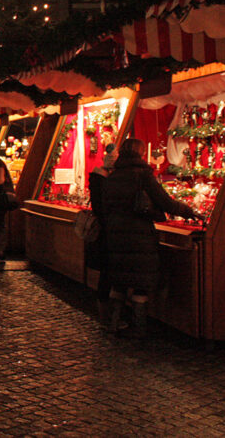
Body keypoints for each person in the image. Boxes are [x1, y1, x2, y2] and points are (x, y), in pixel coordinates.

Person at [101, 137, 198, 338]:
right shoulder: (142, 176)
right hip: (139, 236)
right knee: (140, 283)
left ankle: (113, 322)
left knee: (119, 280)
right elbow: (165, 202)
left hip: (116, 235)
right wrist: (188, 211)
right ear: (140, 153)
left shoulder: (113, 177)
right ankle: (140, 328)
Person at [86, 143, 116, 328]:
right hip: (109, 235)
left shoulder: (96, 182)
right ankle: (107, 318)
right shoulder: (104, 184)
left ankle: (106, 316)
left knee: (106, 275)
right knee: (108, 275)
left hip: (105, 235)